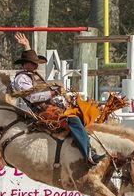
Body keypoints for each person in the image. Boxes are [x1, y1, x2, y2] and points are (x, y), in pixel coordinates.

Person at [10, 34, 101, 165]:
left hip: (50, 107)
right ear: (26, 64)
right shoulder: (22, 78)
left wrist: (27, 46)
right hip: (43, 111)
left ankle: (84, 146)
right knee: (73, 119)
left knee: (82, 112)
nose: (36, 66)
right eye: (33, 63)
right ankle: (89, 154)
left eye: (36, 63)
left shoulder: (30, 75)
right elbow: (31, 97)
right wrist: (51, 94)